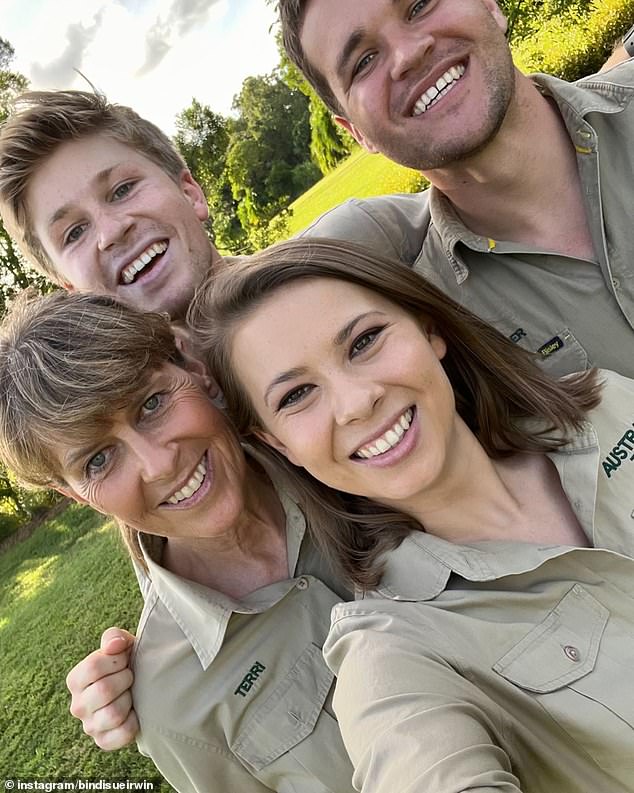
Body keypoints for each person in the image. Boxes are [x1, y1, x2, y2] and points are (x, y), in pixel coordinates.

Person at [190, 236, 634, 793]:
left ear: (430, 329)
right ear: (278, 446)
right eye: (297, 395)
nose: (356, 402)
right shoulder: (392, 653)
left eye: (364, 342)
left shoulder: (607, 402)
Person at [0, 289, 356, 792]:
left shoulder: (350, 448)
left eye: (151, 403)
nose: (159, 463)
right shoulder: (171, 704)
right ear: (74, 495)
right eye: (98, 461)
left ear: (192, 366)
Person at [278, 0, 634, 378]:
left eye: (418, 5)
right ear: (358, 133)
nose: (408, 54)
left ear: (489, 5)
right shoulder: (434, 340)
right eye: (364, 61)